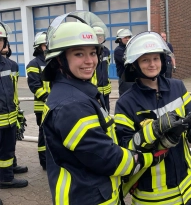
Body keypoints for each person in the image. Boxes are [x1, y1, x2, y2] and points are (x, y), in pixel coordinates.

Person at [40, 11, 168, 204]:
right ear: (59, 59)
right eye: (78, 54)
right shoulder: (71, 104)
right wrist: (145, 159)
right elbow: (105, 157)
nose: (90, 61)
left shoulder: (79, 92)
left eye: (93, 52)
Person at [115, 31, 191, 204]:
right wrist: (154, 129)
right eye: (145, 60)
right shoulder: (126, 103)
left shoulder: (177, 87)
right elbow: (125, 148)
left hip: (190, 188)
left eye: (156, 58)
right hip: (155, 197)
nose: (152, 64)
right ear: (134, 65)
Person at [0, 22, 28, 189]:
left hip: (9, 118)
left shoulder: (9, 65)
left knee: (8, 151)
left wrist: (16, 112)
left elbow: (13, 90)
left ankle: (6, 177)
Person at [26, 32, 49, 170]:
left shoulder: (53, 60)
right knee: (44, 135)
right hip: (42, 106)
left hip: (55, 105)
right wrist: (47, 97)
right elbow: (34, 85)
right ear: (39, 46)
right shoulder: (33, 64)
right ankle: (44, 161)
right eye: (46, 44)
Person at [92, 27, 111, 111]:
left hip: (106, 87)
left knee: (107, 109)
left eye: (101, 36)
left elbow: (107, 66)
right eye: (97, 36)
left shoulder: (106, 51)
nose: (99, 38)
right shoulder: (92, 52)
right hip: (95, 88)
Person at [114, 28, 133, 96]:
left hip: (134, 79)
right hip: (125, 81)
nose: (128, 39)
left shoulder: (131, 48)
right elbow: (129, 62)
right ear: (119, 39)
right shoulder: (118, 50)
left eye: (129, 37)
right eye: (125, 37)